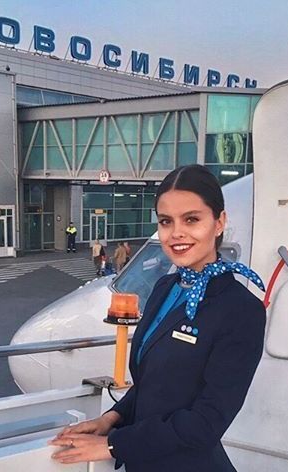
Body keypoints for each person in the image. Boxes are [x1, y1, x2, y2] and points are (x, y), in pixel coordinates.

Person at [49, 164, 266, 471]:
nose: (176, 233)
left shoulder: (240, 310)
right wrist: (111, 419)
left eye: (191, 219)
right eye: (166, 221)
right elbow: (151, 384)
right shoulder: (166, 287)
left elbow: (206, 423)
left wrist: (113, 445)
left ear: (219, 222)